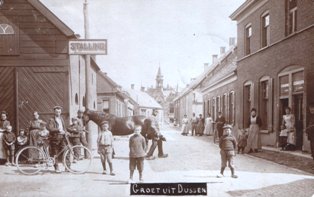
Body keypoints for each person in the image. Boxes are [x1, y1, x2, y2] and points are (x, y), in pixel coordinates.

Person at [47, 106, 69, 173]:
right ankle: (56, 168)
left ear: (61, 112)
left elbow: (63, 128)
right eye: (56, 112)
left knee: (66, 151)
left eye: (59, 112)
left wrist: (66, 132)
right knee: (55, 153)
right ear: (54, 112)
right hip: (55, 138)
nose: (58, 113)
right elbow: (50, 128)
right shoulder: (51, 120)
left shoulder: (61, 119)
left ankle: (67, 167)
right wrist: (58, 130)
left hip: (62, 138)